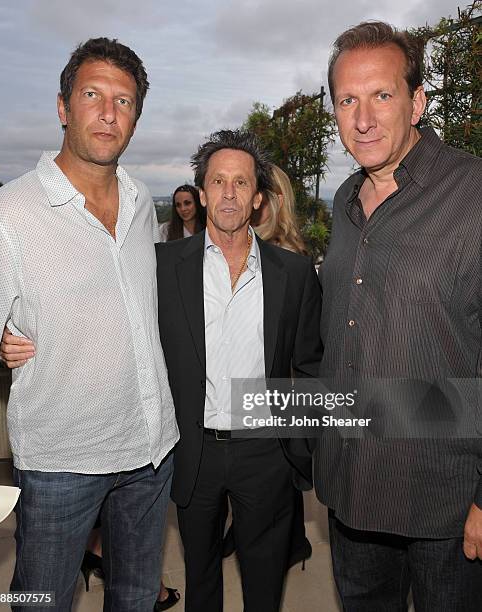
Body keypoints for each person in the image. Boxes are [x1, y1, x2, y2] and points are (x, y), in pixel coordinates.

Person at [0, 38, 178, 611]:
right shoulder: (9, 215)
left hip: (151, 453)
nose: (107, 113)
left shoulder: (143, 200)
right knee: (41, 603)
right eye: (92, 95)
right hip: (59, 465)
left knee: (136, 598)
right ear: (62, 106)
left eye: (124, 102)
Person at [314, 21, 482, 611]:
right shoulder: (343, 202)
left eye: (382, 95)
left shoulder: (472, 194)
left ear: (418, 102)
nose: (362, 119)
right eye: (347, 100)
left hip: (444, 503)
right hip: (352, 492)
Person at [155, 129, 321, 612]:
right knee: (200, 579)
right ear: (202, 194)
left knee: (264, 584)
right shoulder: (163, 265)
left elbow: (310, 365)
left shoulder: (293, 273)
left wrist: (299, 444)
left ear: (257, 200)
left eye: (241, 183)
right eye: (219, 182)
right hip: (194, 451)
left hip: (265, 453)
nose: (229, 193)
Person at [222, 163, 311, 567]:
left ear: (269, 200)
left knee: (277, 485)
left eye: (249, 188)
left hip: (278, 394)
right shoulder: (241, 249)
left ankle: (284, 543)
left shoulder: (287, 259)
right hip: (244, 390)